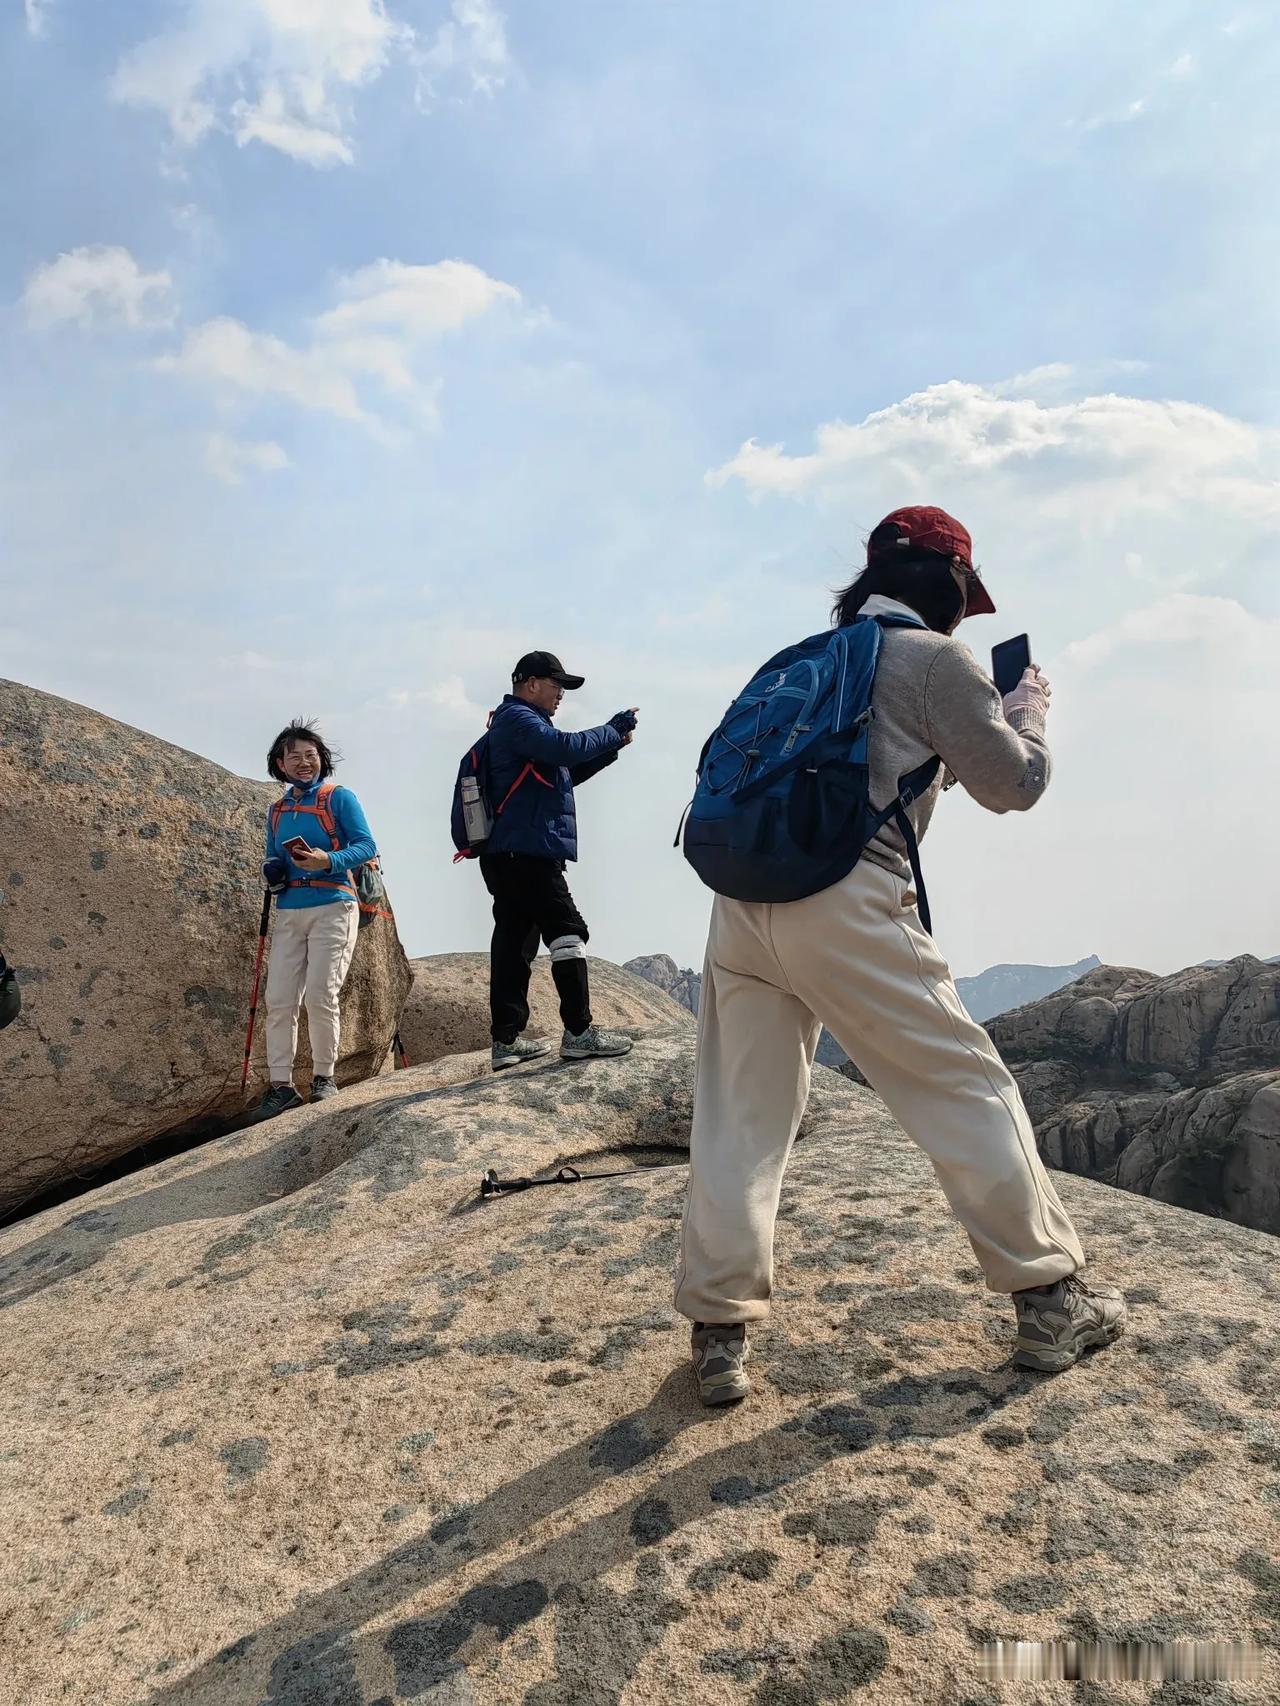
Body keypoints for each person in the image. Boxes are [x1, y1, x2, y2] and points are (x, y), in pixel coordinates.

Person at [674, 505, 1126, 1405]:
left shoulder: (803, 659)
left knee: (740, 1116)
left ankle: (719, 1329)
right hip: (848, 895)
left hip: (741, 901)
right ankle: (1050, 1298)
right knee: (965, 1087)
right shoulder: (934, 658)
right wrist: (1028, 719)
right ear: (952, 583)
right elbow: (1014, 785)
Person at [479, 651, 638, 1069]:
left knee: (515, 941)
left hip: (508, 853)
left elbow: (563, 772)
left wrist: (610, 747)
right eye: (557, 685)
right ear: (531, 683)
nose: (561, 694)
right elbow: (565, 749)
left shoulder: (517, 726)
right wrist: (610, 729)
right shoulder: (518, 719)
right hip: (528, 852)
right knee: (567, 931)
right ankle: (580, 1032)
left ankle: (506, 1041)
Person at [249, 720, 376, 1122]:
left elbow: (366, 845)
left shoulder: (339, 797)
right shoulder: (277, 810)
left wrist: (328, 861)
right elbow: (273, 854)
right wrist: (273, 869)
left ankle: (324, 1078)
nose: (305, 763)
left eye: (311, 755)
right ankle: (281, 1087)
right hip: (290, 907)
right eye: (295, 757)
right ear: (280, 764)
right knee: (280, 1000)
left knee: (322, 993)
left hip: (334, 903)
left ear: (322, 759)